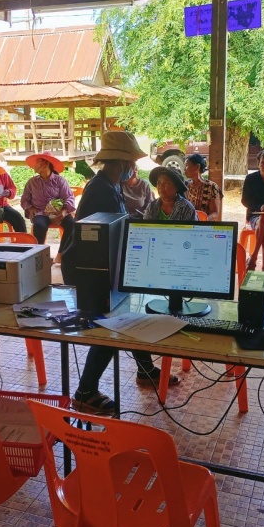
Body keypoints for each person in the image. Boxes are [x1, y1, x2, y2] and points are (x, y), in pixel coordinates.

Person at [62, 131, 178, 414]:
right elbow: (98, 236)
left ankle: (145, 368)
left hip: (101, 263)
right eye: (131, 161)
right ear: (121, 162)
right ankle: (85, 391)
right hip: (91, 268)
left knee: (130, 311)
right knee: (112, 324)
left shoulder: (109, 184)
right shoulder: (101, 189)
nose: (134, 167)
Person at [20, 152, 75, 248]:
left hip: (58, 212)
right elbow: (24, 199)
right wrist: (30, 208)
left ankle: (62, 253)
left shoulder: (60, 180)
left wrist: (64, 211)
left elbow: (69, 197)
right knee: (39, 225)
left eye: (38, 163)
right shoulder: (32, 182)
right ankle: (39, 253)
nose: (35, 166)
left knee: (72, 224)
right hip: (40, 212)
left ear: (46, 164)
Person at [184, 153, 222, 220]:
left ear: (197, 166)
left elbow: (215, 213)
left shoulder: (212, 187)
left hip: (204, 225)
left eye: (187, 166)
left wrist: (202, 221)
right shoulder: (185, 186)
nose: (184, 169)